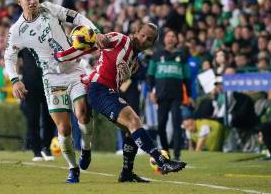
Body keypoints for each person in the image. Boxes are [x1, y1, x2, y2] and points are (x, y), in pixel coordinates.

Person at [4, 0, 108, 183]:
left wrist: (95, 31)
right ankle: (72, 167)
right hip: (51, 78)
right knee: (64, 129)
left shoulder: (49, 8)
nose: (33, 1)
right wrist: (15, 80)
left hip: (74, 70)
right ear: (20, 2)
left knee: (83, 114)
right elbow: (9, 57)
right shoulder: (17, 30)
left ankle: (86, 149)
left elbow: (76, 17)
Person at [56, 23, 187, 180]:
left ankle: (126, 173)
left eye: (149, 39)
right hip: (99, 89)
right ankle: (161, 161)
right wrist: (63, 55)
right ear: (136, 32)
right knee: (133, 120)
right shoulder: (119, 39)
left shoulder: (135, 62)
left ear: (152, 44)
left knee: (130, 130)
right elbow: (90, 44)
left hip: (108, 91)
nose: (144, 39)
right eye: (143, 35)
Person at [147, 29, 191, 161]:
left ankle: (177, 154)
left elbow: (187, 77)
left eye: (173, 36)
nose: (171, 38)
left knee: (176, 124)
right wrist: (151, 92)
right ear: (164, 39)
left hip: (177, 95)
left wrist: (189, 96)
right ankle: (165, 152)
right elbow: (150, 75)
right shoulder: (157, 54)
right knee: (161, 125)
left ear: (176, 40)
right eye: (168, 36)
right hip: (161, 95)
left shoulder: (182, 55)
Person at [18, 48, 56, 162]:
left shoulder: (47, 36)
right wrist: (16, 79)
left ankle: (46, 146)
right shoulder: (23, 37)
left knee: (50, 116)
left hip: (49, 81)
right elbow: (13, 55)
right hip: (30, 83)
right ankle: (36, 150)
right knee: (32, 117)